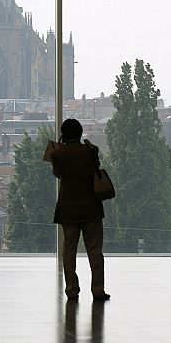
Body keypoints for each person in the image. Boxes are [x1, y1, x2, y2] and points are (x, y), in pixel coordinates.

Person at [49, 118, 110, 302]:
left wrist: (59, 147)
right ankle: (98, 289)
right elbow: (96, 169)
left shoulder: (57, 154)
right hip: (91, 207)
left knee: (69, 251)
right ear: (80, 132)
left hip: (69, 209)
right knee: (95, 250)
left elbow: (58, 173)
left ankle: (72, 289)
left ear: (63, 134)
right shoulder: (90, 151)